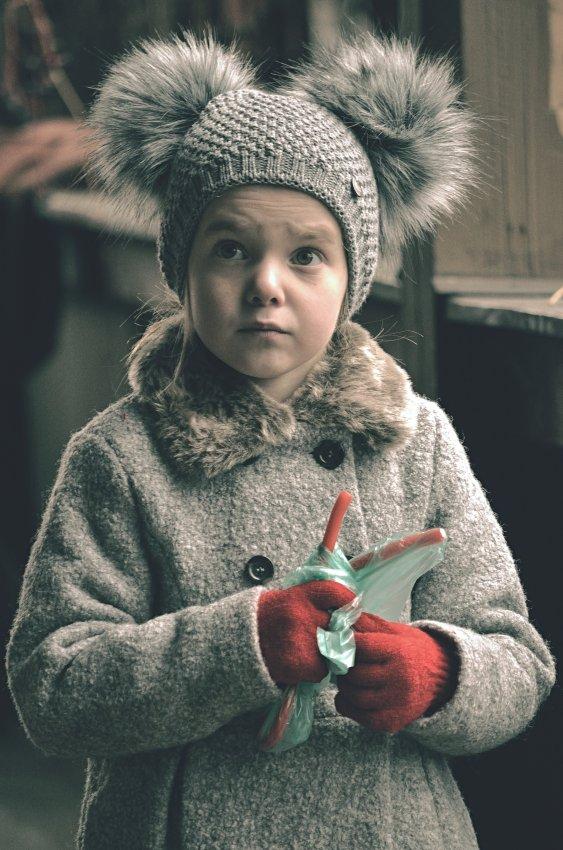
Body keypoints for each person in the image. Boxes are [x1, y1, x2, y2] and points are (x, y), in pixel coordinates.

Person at [4, 28, 555, 850]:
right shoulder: (120, 458)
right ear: (179, 266)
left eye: (306, 255)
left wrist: (441, 674)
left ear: (352, 279)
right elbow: (53, 686)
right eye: (230, 249)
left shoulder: (416, 443)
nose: (266, 283)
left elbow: (517, 658)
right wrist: (243, 645)